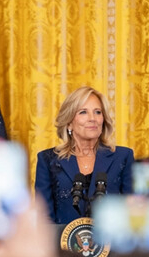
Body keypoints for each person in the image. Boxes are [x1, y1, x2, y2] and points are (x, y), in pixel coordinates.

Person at [35, 86, 134, 224]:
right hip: (62, 244)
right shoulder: (48, 160)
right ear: (69, 123)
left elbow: (132, 212)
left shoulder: (123, 156)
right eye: (83, 112)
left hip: (111, 244)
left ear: (103, 119)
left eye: (98, 112)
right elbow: (44, 219)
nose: (92, 118)